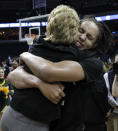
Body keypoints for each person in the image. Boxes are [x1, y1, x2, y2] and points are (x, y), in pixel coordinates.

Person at [3, 16, 112, 131]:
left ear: (94, 45)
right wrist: (39, 83)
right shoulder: (58, 47)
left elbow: (47, 72)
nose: (82, 37)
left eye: (89, 37)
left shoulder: (93, 63)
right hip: (42, 122)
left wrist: (26, 55)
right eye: (81, 30)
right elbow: (13, 76)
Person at [1, 4, 81, 131]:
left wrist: (25, 55)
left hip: (10, 114)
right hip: (31, 123)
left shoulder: (38, 44)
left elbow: (14, 75)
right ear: (73, 28)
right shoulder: (72, 54)